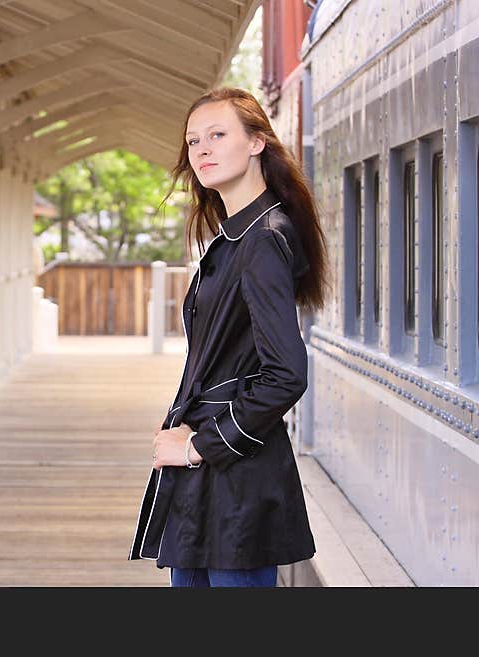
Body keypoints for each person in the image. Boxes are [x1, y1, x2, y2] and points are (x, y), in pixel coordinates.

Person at [128, 87, 331, 587]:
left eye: (218, 135)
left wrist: (199, 446)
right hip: (211, 482)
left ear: (258, 141)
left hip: (237, 479)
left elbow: (285, 375)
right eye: (194, 140)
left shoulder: (262, 239)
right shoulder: (235, 237)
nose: (202, 150)